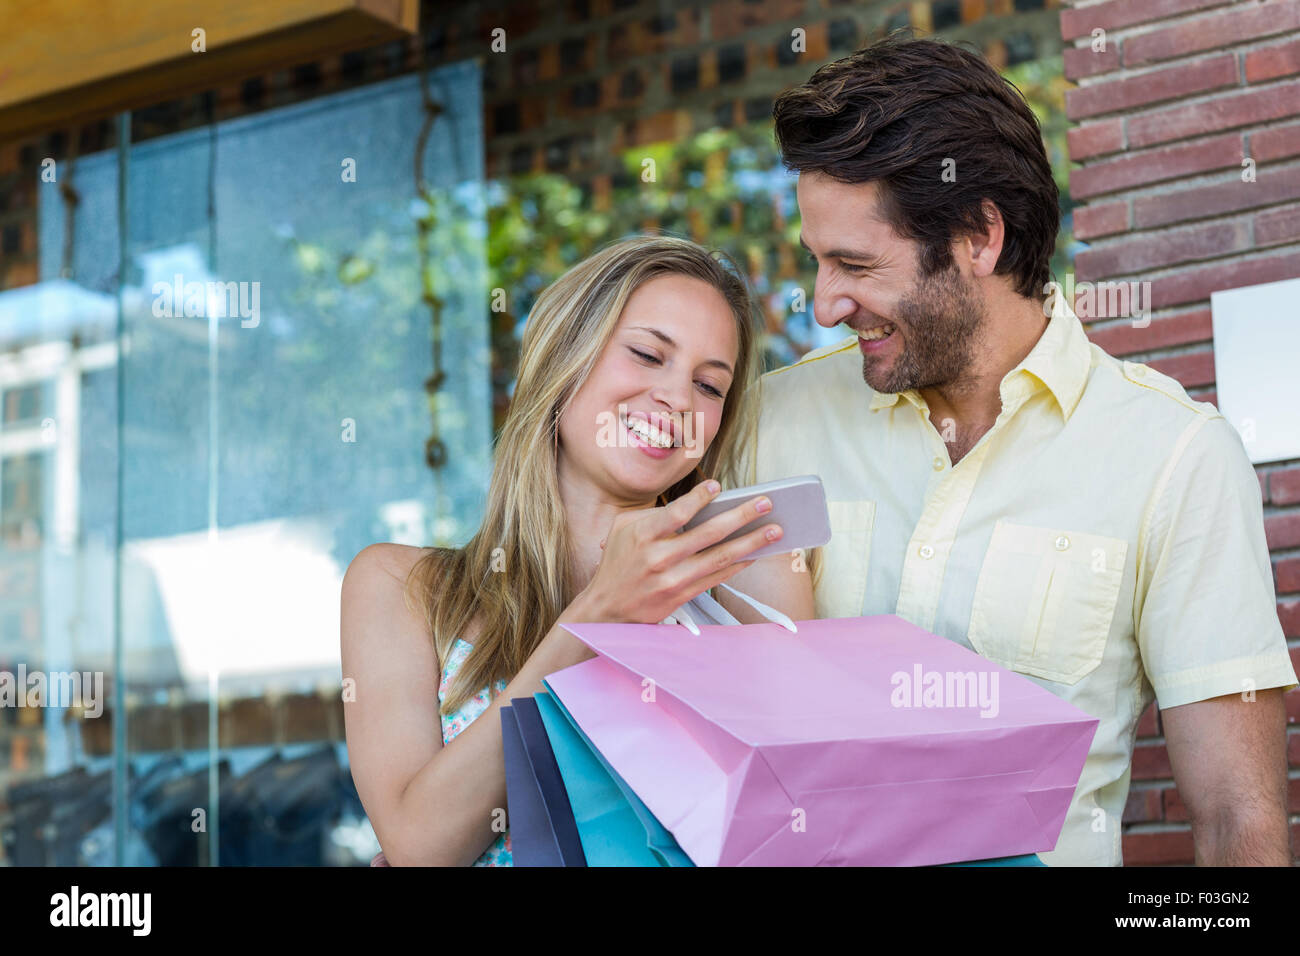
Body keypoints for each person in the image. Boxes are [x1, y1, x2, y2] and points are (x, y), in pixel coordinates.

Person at [729, 34, 1298, 865]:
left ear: (978, 237)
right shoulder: (769, 424)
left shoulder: (1175, 457)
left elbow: (1233, 821)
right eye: (817, 263)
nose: (822, 306)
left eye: (855, 264)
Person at [341, 235, 815, 866]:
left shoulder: (750, 575)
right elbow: (422, 847)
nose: (677, 399)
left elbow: (794, 832)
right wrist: (596, 619)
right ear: (564, 357)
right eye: (647, 354)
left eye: (708, 386)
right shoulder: (401, 587)